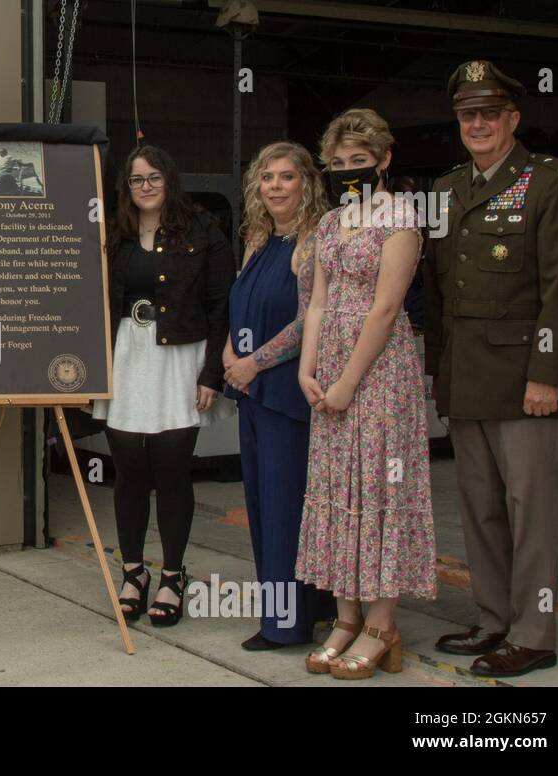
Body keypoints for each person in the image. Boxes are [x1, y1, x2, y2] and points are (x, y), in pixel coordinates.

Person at [425, 61, 558, 678]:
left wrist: (547, 374)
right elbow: (436, 293)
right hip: (465, 376)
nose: (478, 124)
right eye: (468, 114)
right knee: (480, 507)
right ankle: (494, 619)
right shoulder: (444, 189)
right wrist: (435, 371)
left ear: (513, 119)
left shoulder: (553, 182)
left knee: (533, 512)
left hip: (526, 380)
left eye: (489, 113)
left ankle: (535, 633)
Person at [297, 108, 435, 680]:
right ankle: (345, 617)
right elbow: (319, 303)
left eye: (361, 161)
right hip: (328, 367)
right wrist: (307, 370)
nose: (350, 171)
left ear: (383, 161)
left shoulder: (401, 217)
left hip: (379, 372)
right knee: (339, 488)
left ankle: (383, 625)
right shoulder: (331, 224)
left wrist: (349, 381)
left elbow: (385, 307)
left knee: (380, 485)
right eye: (340, 163)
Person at [92, 145, 236, 627]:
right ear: (126, 187)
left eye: (154, 176)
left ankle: (173, 576)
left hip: (180, 359)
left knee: (172, 470)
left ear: (169, 180)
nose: (146, 186)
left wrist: (212, 374)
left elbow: (221, 307)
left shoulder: (204, 232)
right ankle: (134, 572)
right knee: (129, 470)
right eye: (137, 179)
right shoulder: (114, 233)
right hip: (126, 359)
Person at [222, 141, 336, 650]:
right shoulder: (256, 239)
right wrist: (229, 355)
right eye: (266, 177)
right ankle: (302, 612)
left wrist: (252, 364)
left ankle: (286, 624)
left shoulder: (313, 241)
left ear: (306, 182)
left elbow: (305, 322)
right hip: (250, 392)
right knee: (262, 506)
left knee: (286, 507)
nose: (275, 186)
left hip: (287, 396)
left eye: (286, 177)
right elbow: (239, 307)